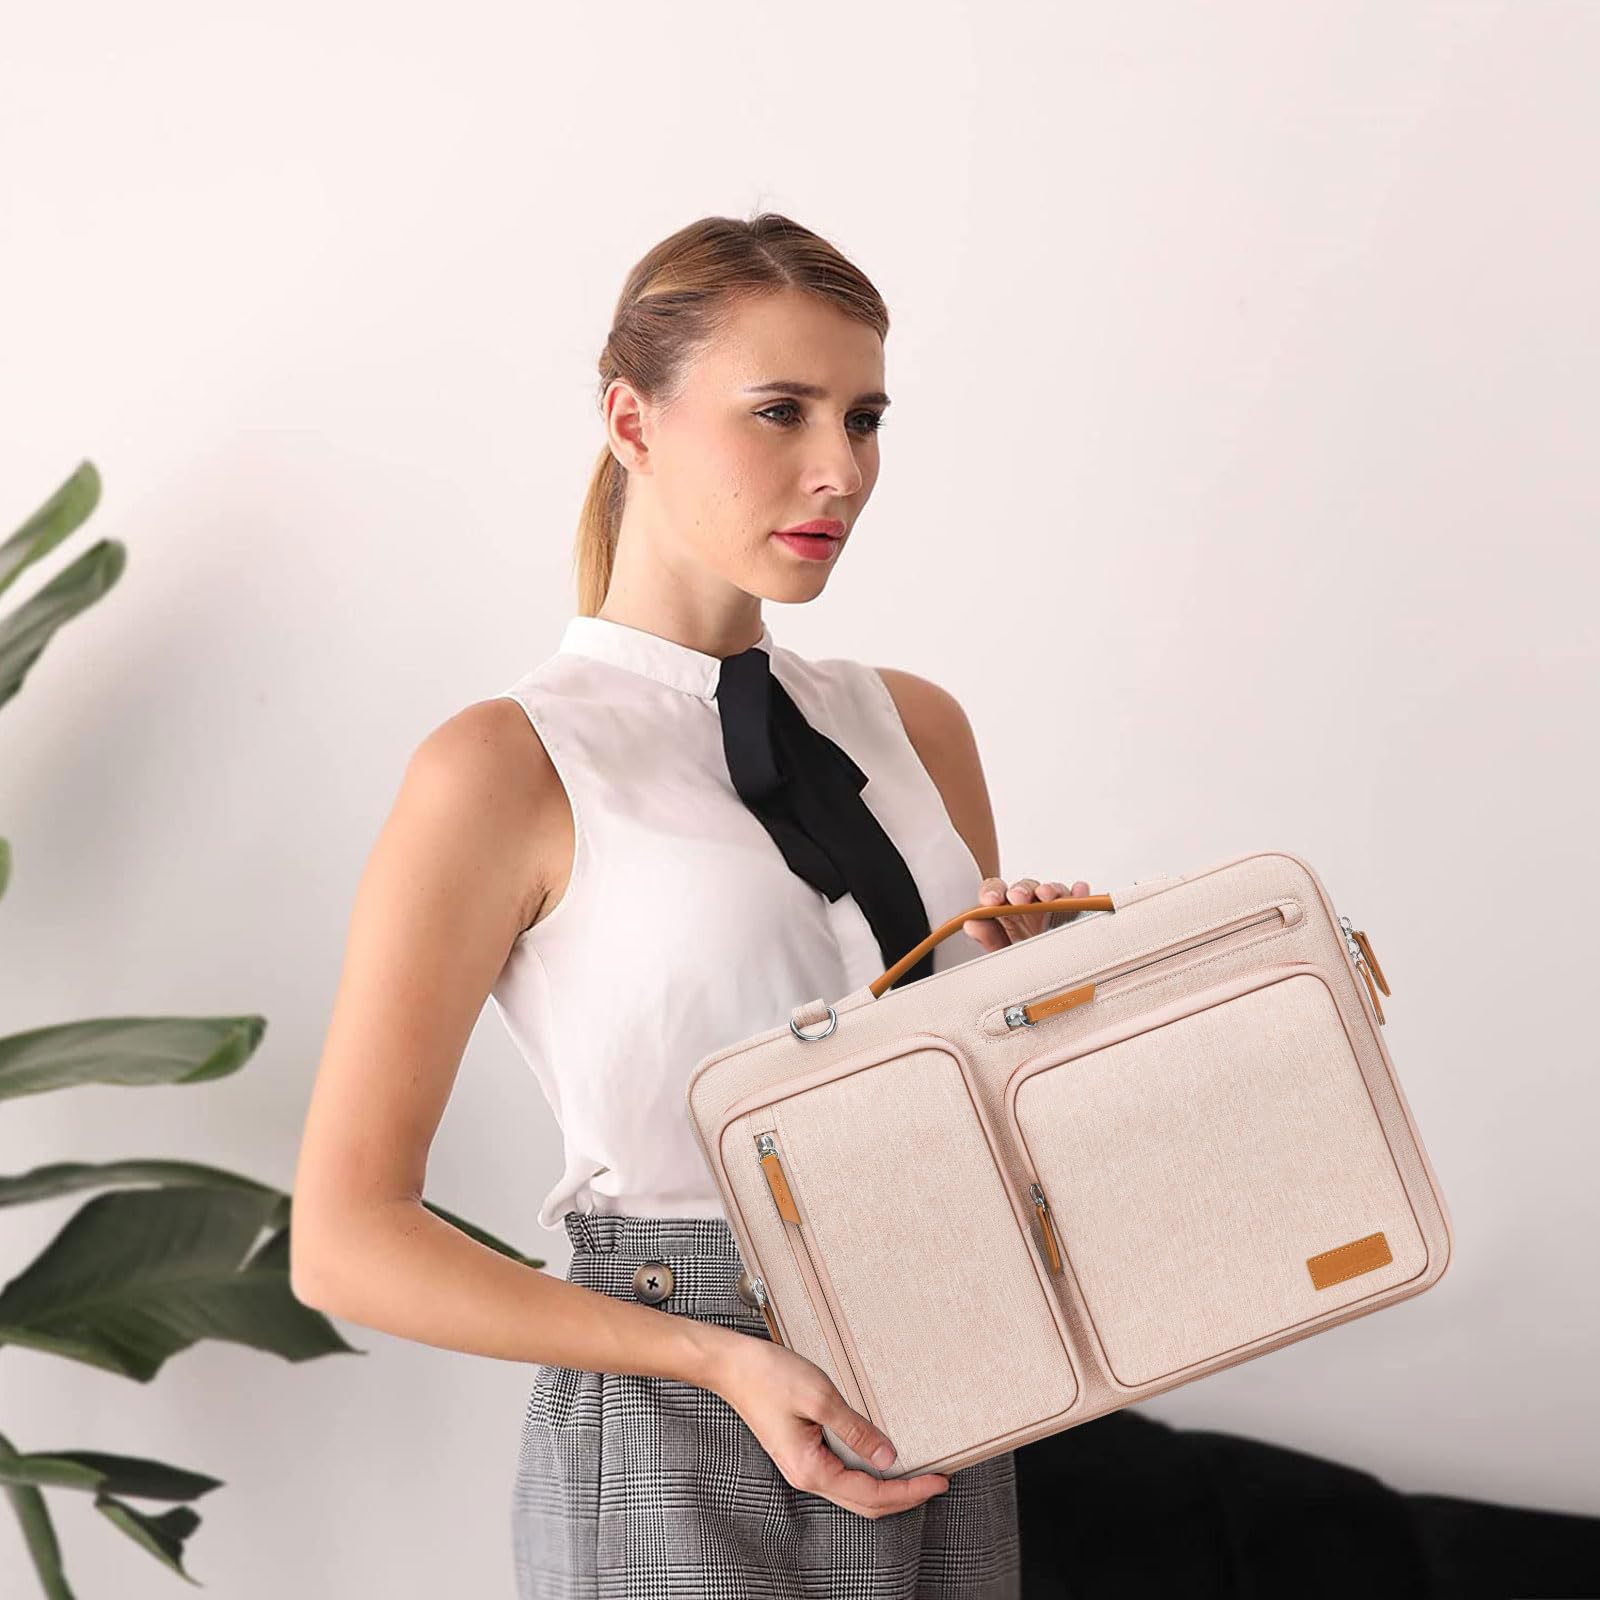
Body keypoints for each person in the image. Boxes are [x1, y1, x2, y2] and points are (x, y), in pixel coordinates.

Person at [288, 211, 1092, 1598]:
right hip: (680, 1417)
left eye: (864, 418)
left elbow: (980, 1111)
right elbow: (345, 1241)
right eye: (780, 412)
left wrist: (1039, 998)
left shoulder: (915, 728)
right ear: (631, 421)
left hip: (957, 1376)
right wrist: (714, 1356)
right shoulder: (505, 765)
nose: (840, 469)